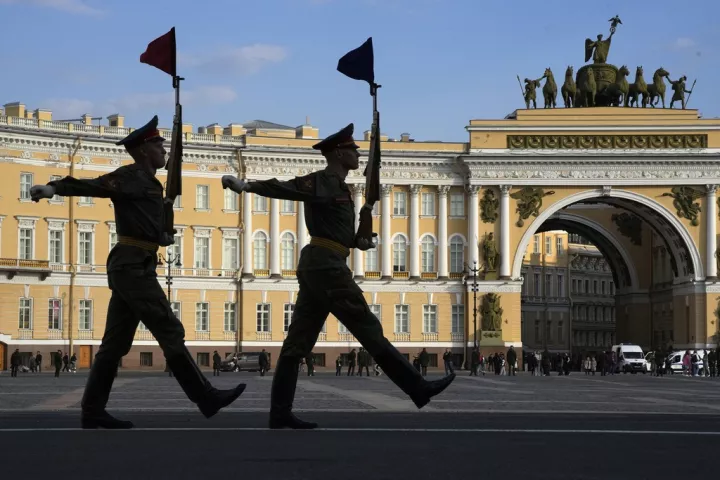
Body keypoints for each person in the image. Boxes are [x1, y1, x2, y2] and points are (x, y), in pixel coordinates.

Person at [222, 123, 455, 429]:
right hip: (326, 267)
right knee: (368, 327)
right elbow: (288, 187)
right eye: (351, 149)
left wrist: (362, 235)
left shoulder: (342, 188)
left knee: (296, 345)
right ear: (337, 153)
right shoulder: (324, 181)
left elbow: (347, 239)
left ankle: (279, 412)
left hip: (325, 264)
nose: (356, 153)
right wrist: (247, 186)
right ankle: (417, 387)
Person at [30, 115, 245, 429]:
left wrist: (162, 234)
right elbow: (95, 185)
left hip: (137, 263)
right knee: (169, 330)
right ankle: (206, 396)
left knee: (114, 346)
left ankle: (92, 411)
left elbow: (149, 226)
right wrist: (53, 188)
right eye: (158, 144)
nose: (163, 149)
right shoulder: (130, 176)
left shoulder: (152, 183)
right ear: (144, 149)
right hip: (131, 266)